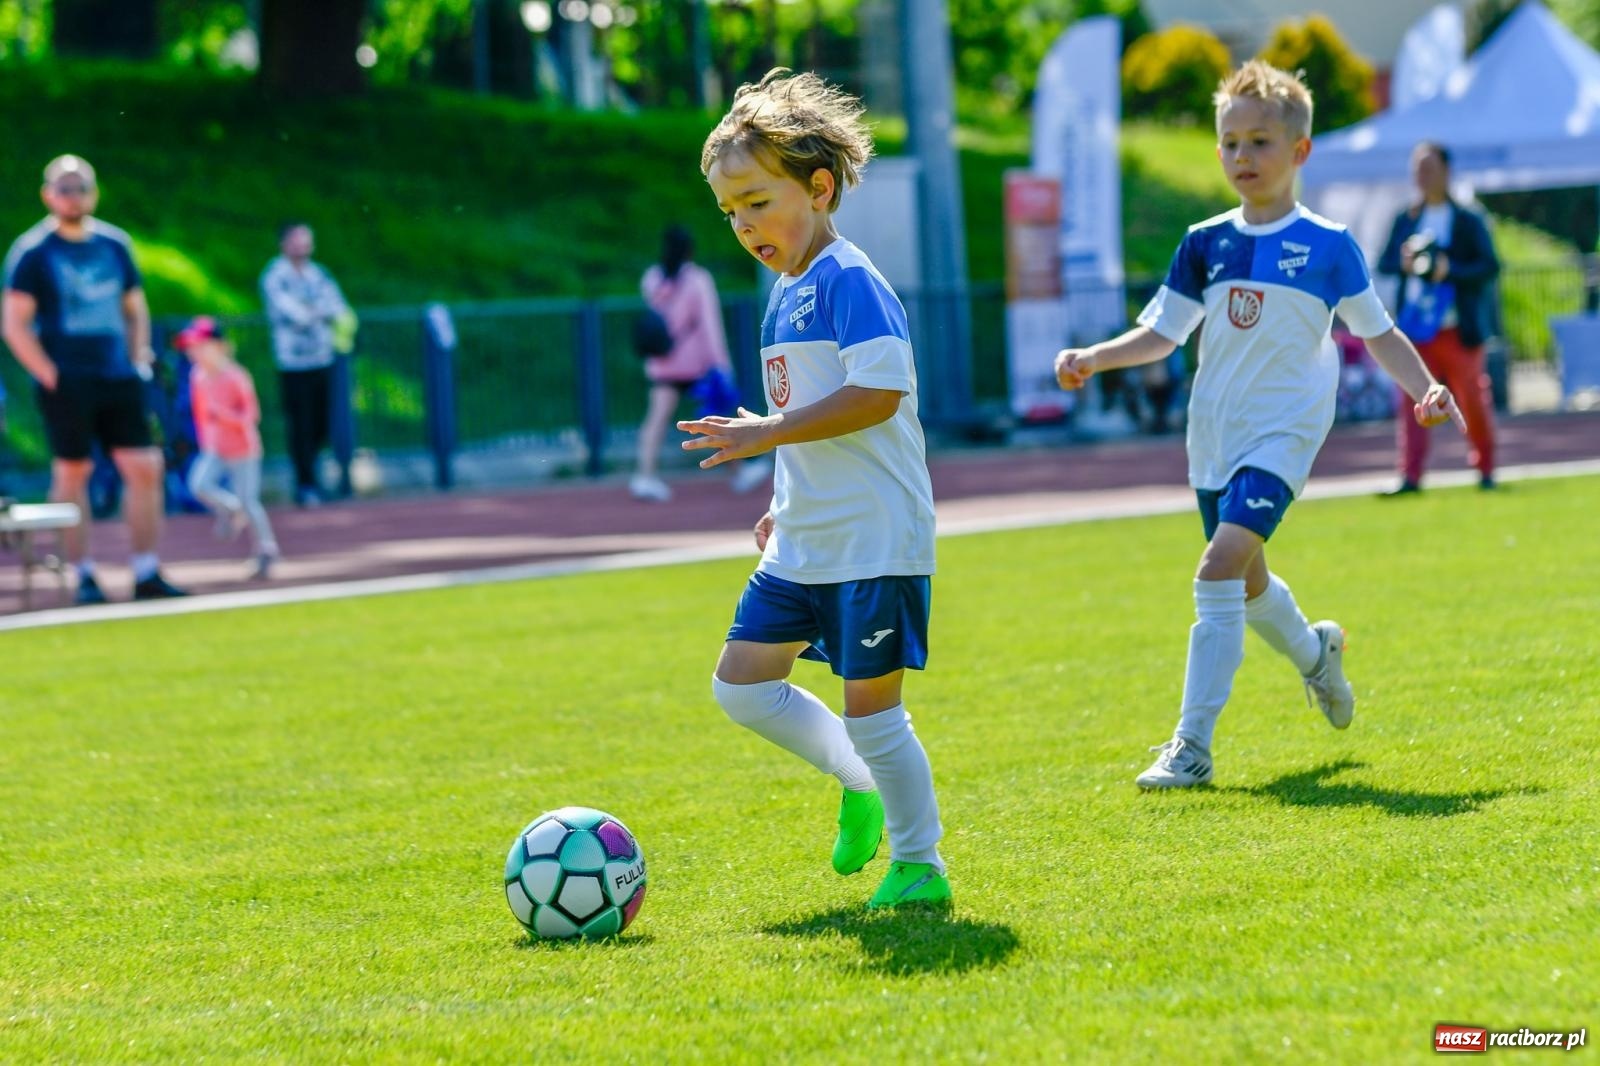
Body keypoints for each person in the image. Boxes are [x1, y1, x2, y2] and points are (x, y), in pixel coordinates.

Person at [1054, 61, 1464, 789]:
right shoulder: (1204, 241)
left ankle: (1191, 747)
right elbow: (1162, 333)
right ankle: (1317, 654)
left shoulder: (1331, 245)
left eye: (1261, 142)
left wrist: (1427, 387)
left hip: (1286, 431)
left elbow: (1380, 333)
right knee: (1245, 585)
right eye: (1231, 143)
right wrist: (1096, 357)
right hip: (1213, 433)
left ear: (1299, 151)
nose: (1244, 157)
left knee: (1215, 569)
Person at [678, 69, 950, 909]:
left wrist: (765, 433)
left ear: (818, 187)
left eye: (756, 201)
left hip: (874, 536)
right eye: (730, 212)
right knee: (741, 686)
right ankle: (858, 783)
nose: (743, 224)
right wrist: (780, 486)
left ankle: (920, 867)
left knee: (875, 713)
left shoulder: (848, 280)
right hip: (807, 533)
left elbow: (879, 392)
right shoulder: (784, 295)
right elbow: (812, 409)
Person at [1, 154, 187, 604]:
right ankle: (81, 573)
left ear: (94, 192)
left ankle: (145, 571)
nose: (73, 196)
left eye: (81, 187)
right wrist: (50, 374)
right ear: (48, 195)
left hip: (117, 375)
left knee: (144, 466)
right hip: (67, 379)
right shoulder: (33, 253)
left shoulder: (114, 245)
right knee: (73, 471)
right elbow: (14, 323)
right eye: (64, 188)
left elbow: (133, 306)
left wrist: (138, 354)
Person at [1376, 141, 1502, 494]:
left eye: (1429, 168)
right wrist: (1403, 264)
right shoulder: (1406, 219)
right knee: (1414, 400)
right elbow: (1385, 263)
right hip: (1416, 328)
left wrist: (1450, 270)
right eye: (1418, 169)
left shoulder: (1468, 218)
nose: (1422, 176)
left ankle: (1486, 467)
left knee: (1472, 398)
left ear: (1446, 171)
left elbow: (1489, 266)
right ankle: (1410, 475)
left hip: (1455, 327)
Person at [631, 224, 772, 502]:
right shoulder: (698, 280)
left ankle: (644, 476)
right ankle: (739, 470)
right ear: (690, 250)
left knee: (656, 420)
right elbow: (709, 326)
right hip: (696, 363)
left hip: (663, 364)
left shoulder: (652, 279)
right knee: (717, 417)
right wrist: (722, 365)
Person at [176, 316, 280, 580]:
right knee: (199, 484)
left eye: (200, 346)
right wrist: (206, 439)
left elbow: (250, 416)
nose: (194, 352)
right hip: (215, 448)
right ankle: (232, 510)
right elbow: (201, 414)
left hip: (244, 450)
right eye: (191, 347)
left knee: (250, 501)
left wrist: (223, 416)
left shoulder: (235, 376)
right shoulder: (197, 377)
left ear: (219, 346)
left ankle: (267, 549)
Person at [260, 222, 352, 507]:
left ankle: (315, 474)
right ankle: (305, 483)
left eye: (306, 241)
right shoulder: (275, 276)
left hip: (322, 358)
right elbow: (292, 314)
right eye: (296, 241)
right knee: (300, 423)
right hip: (292, 362)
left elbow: (337, 307)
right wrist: (318, 313)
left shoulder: (319, 274)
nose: (302, 247)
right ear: (284, 244)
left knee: (322, 423)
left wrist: (318, 314)